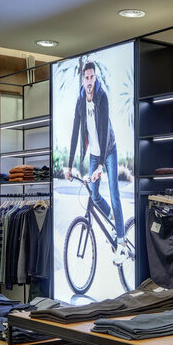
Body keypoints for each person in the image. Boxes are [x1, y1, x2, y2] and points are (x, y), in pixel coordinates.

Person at [67, 60, 126, 264]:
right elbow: (75, 132)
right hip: (93, 153)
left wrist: (101, 165)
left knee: (114, 193)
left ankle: (121, 243)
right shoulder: (80, 101)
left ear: (95, 77)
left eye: (92, 77)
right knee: (94, 193)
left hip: (108, 150)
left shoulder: (102, 97)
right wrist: (69, 165)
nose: (90, 81)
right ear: (82, 80)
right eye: (86, 77)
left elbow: (103, 132)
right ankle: (111, 217)